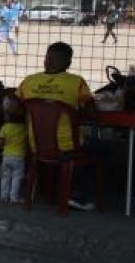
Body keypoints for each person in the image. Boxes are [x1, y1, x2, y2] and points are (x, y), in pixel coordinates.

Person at [16, 42, 98, 210]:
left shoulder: (29, 81)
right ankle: (76, 194)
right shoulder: (76, 82)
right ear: (68, 63)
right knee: (101, 149)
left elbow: (15, 106)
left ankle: (48, 189)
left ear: (46, 59)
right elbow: (92, 112)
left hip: (37, 145)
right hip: (67, 147)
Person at [0, 95, 29, 203]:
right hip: (19, 156)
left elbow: (1, 141)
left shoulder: (4, 128)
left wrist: (2, 148)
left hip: (6, 156)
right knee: (17, 177)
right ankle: (14, 197)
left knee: (5, 177)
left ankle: (4, 195)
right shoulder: (24, 128)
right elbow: (28, 139)